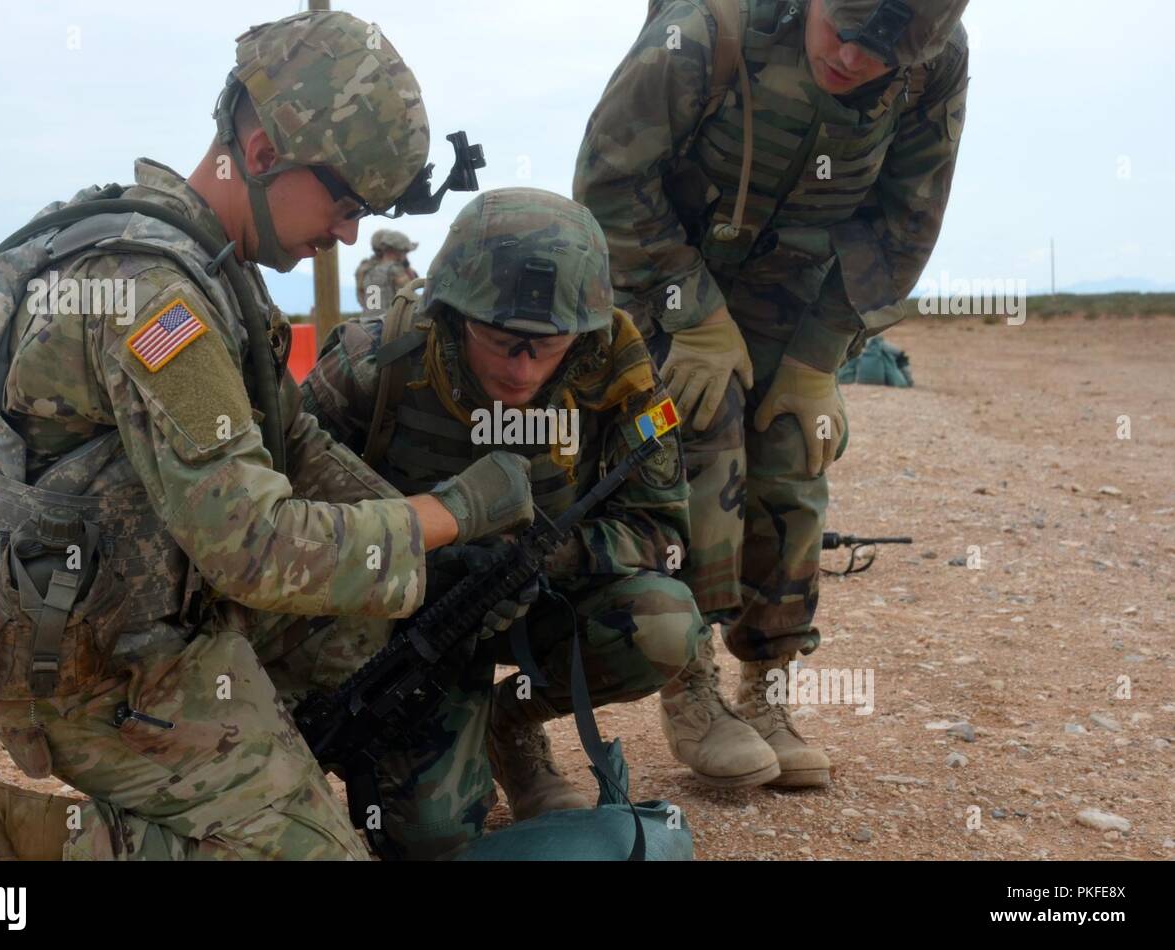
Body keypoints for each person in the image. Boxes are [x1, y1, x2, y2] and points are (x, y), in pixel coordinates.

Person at [0, 10, 533, 862]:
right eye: (343, 202)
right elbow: (255, 547)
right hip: (87, 667)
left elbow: (292, 446)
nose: (348, 233)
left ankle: (270, 766)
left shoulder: (207, 265)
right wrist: (451, 512)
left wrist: (425, 542)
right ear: (263, 154)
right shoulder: (157, 299)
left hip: (125, 612)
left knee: (382, 618)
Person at [574, 0, 969, 787]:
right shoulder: (709, 26)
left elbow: (905, 222)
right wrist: (691, 313)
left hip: (793, 287)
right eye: (845, 34)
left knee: (794, 448)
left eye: (881, 54)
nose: (855, 61)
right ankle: (689, 686)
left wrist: (819, 360)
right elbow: (609, 180)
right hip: (663, 274)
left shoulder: (936, 59)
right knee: (701, 429)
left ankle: (768, 689)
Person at [301, 187, 710, 858]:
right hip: (409, 620)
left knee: (663, 624)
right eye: (500, 342)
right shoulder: (377, 363)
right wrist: (417, 568)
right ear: (453, 316)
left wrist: (551, 559)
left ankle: (511, 723)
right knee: (429, 835)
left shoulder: (614, 366)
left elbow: (660, 533)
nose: (522, 369)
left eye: (546, 346)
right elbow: (284, 520)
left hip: (543, 598)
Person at [355, 229, 420, 315]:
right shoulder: (395, 270)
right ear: (398, 251)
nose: (406, 255)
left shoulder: (365, 270)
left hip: (368, 321)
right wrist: (406, 265)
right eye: (405, 251)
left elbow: (362, 299)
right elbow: (412, 295)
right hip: (389, 323)